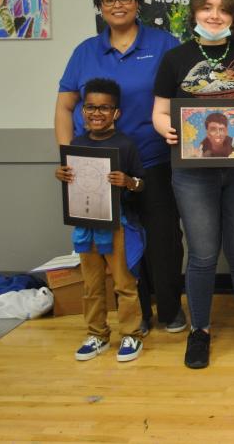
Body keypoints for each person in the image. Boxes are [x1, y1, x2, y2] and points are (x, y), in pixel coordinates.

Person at [56, 0, 187, 337]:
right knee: (121, 241)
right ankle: (138, 313)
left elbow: (185, 99)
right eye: (109, 0)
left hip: (155, 161)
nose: (118, 5)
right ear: (100, 7)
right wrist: (69, 158)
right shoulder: (85, 52)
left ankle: (171, 308)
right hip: (98, 169)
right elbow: (65, 107)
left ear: (137, 2)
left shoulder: (164, 44)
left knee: (163, 237)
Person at [152, 0, 234, 369]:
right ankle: (199, 331)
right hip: (193, 173)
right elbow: (158, 110)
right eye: (207, 8)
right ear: (195, 13)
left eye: (222, 9)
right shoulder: (175, 60)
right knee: (203, 255)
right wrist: (164, 128)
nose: (214, 15)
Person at [55, 78, 146, 363]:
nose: (97, 113)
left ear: (116, 113)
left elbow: (143, 185)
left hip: (118, 226)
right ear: (82, 111)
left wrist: (128, 181)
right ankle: (97, 333)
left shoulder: (126, 145)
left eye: (104, 108)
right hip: (87, 224)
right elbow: (74, 182)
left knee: (123, 283)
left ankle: (131, 334)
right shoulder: (76, 145)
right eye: (90, 107)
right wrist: (62, 176)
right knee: (91, 285)